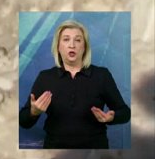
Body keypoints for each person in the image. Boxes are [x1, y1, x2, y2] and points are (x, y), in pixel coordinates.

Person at [19, 19, 131, 149]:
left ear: (84, 47)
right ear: (58, 47)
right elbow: (23, 121)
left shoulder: (102, 75)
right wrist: (33, 112)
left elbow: (125, 113)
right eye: (66, 39)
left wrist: (111, 118)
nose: (72, 45)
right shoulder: (45, 77)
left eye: (78, 40)